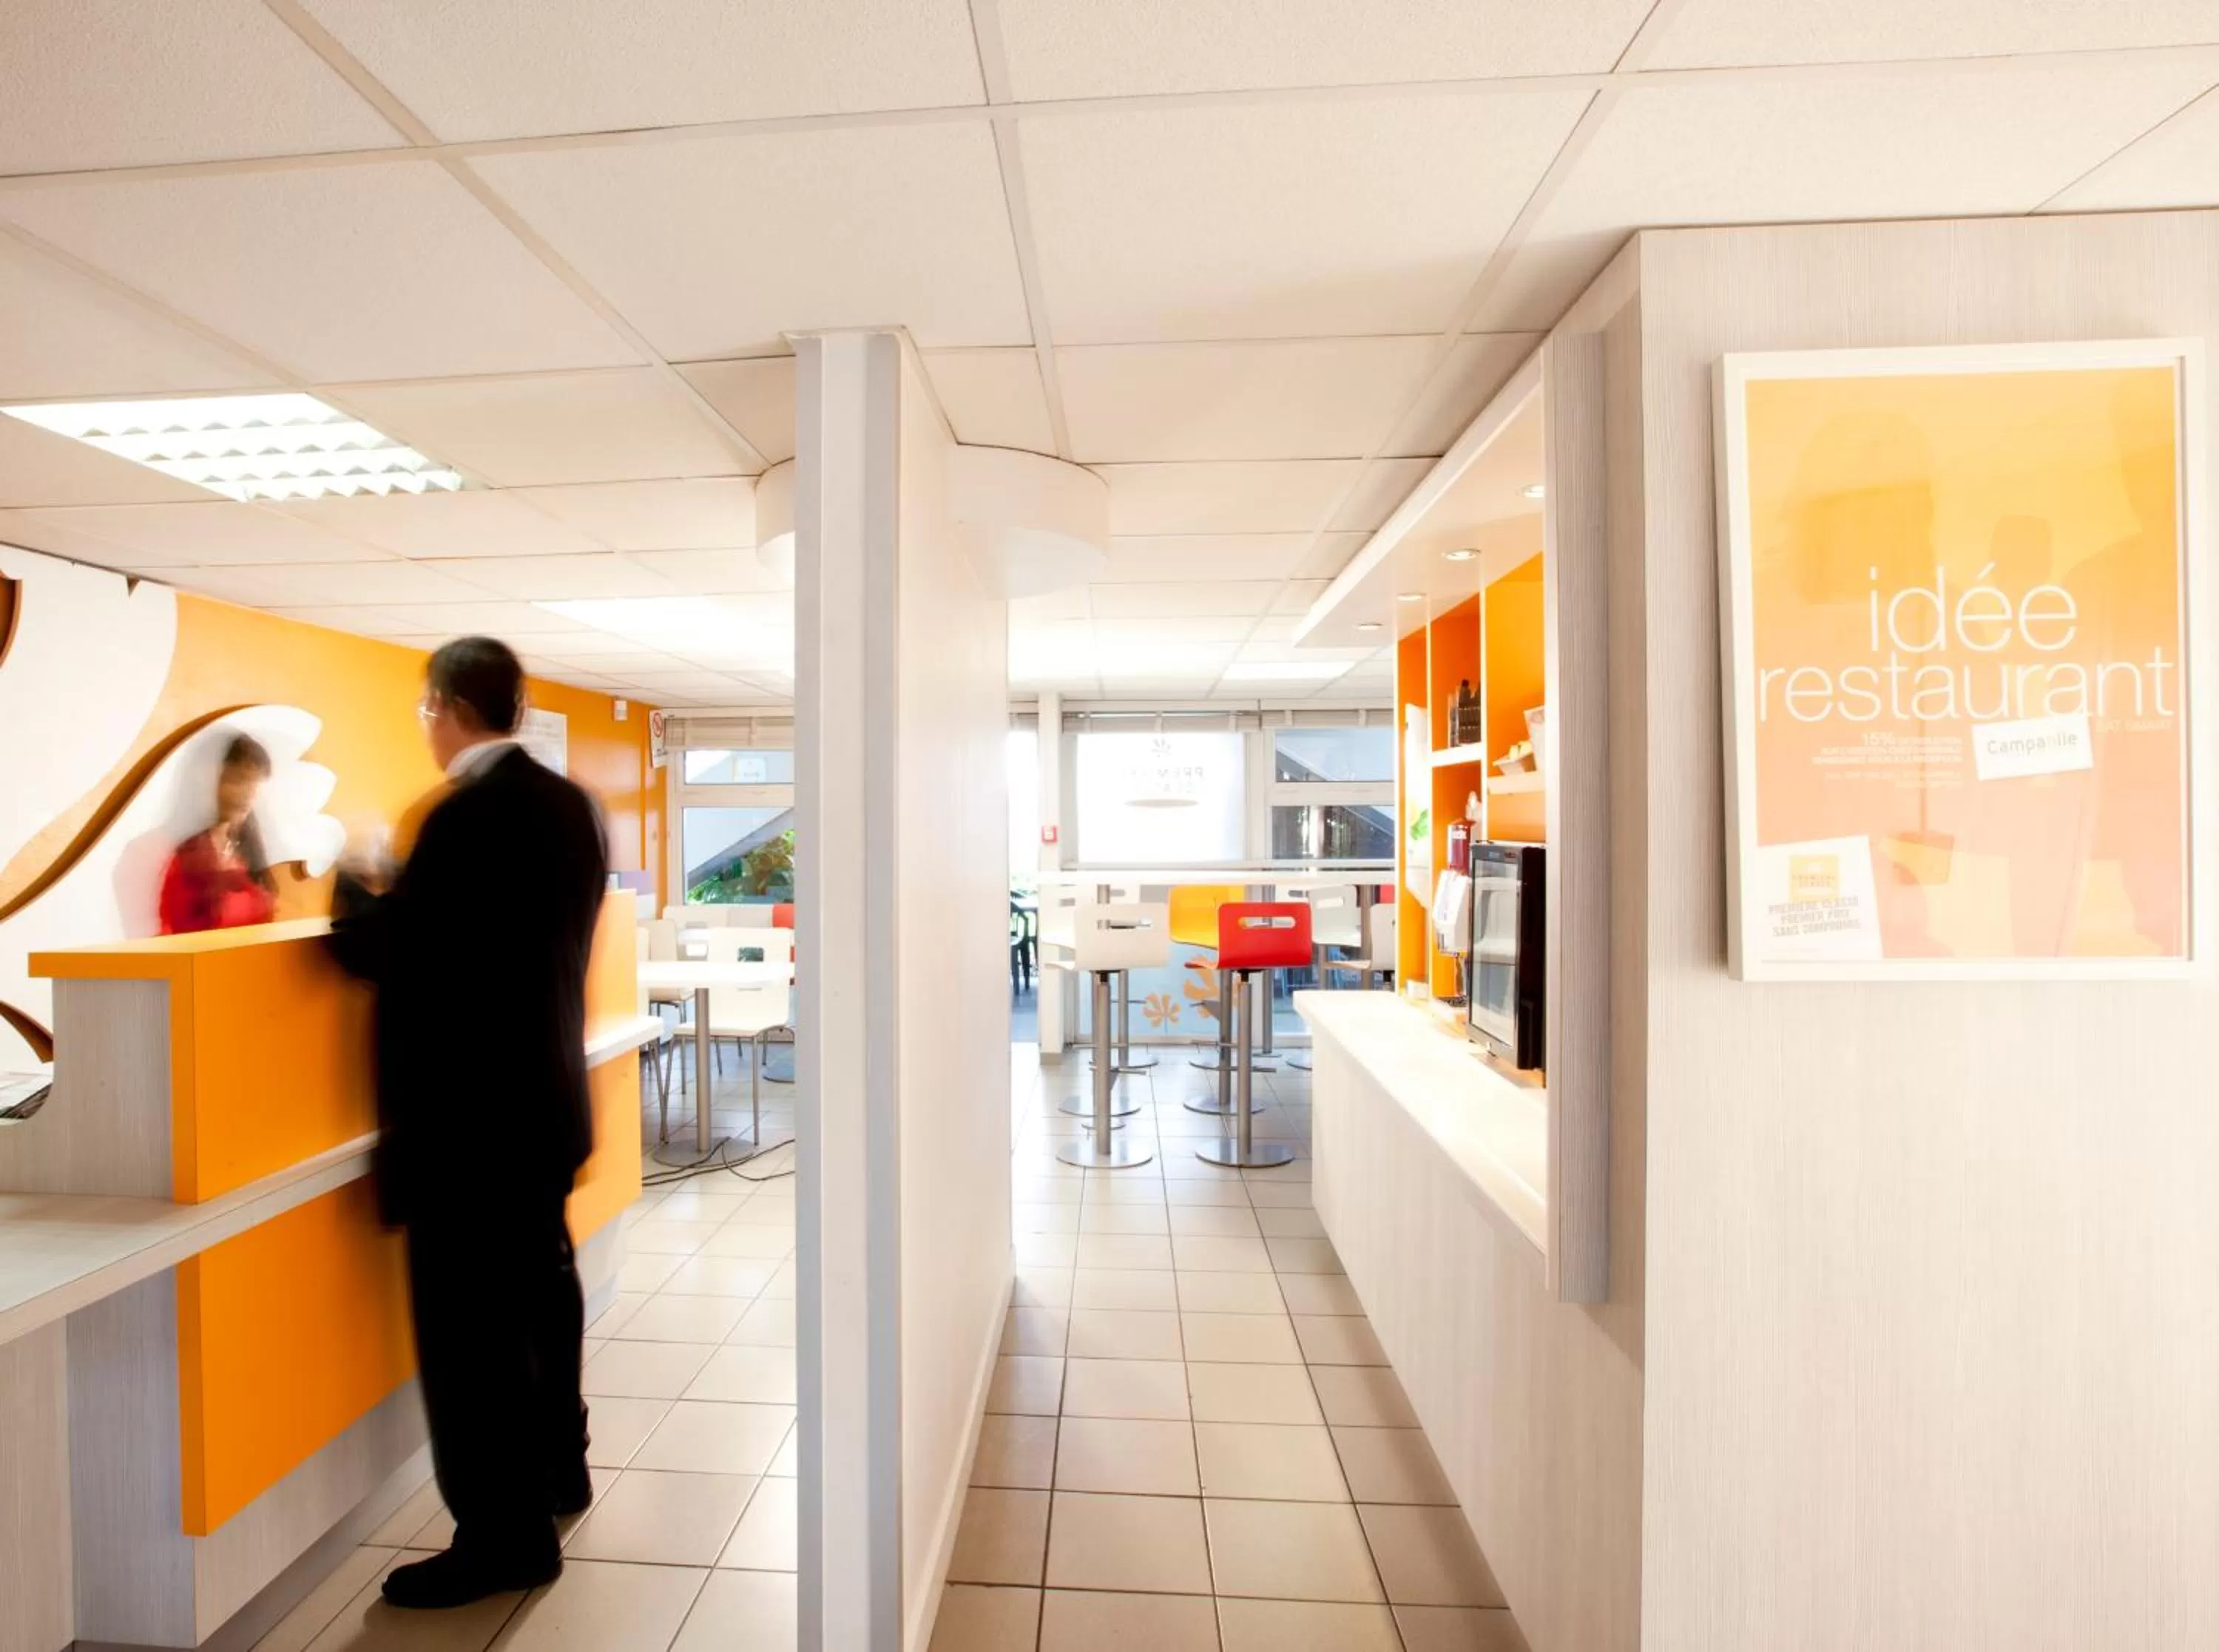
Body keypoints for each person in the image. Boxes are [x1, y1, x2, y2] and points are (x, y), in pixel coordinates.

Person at [326, 637, 609, 1609]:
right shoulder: (573, 808)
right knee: (543, 1297)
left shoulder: (462, 820)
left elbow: (390, 952)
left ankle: (502, 1536)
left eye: (424, 710)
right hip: (544, 1110)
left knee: (472, 1336)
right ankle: (559, 1469)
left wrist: (358, 881)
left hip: (466, 1129)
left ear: (446, 705)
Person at [158, 734, 278, 935]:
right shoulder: (183, 855)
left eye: (255, 783)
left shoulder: (248, 847)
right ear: (211, 780)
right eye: (239, 780)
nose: (248, 794)